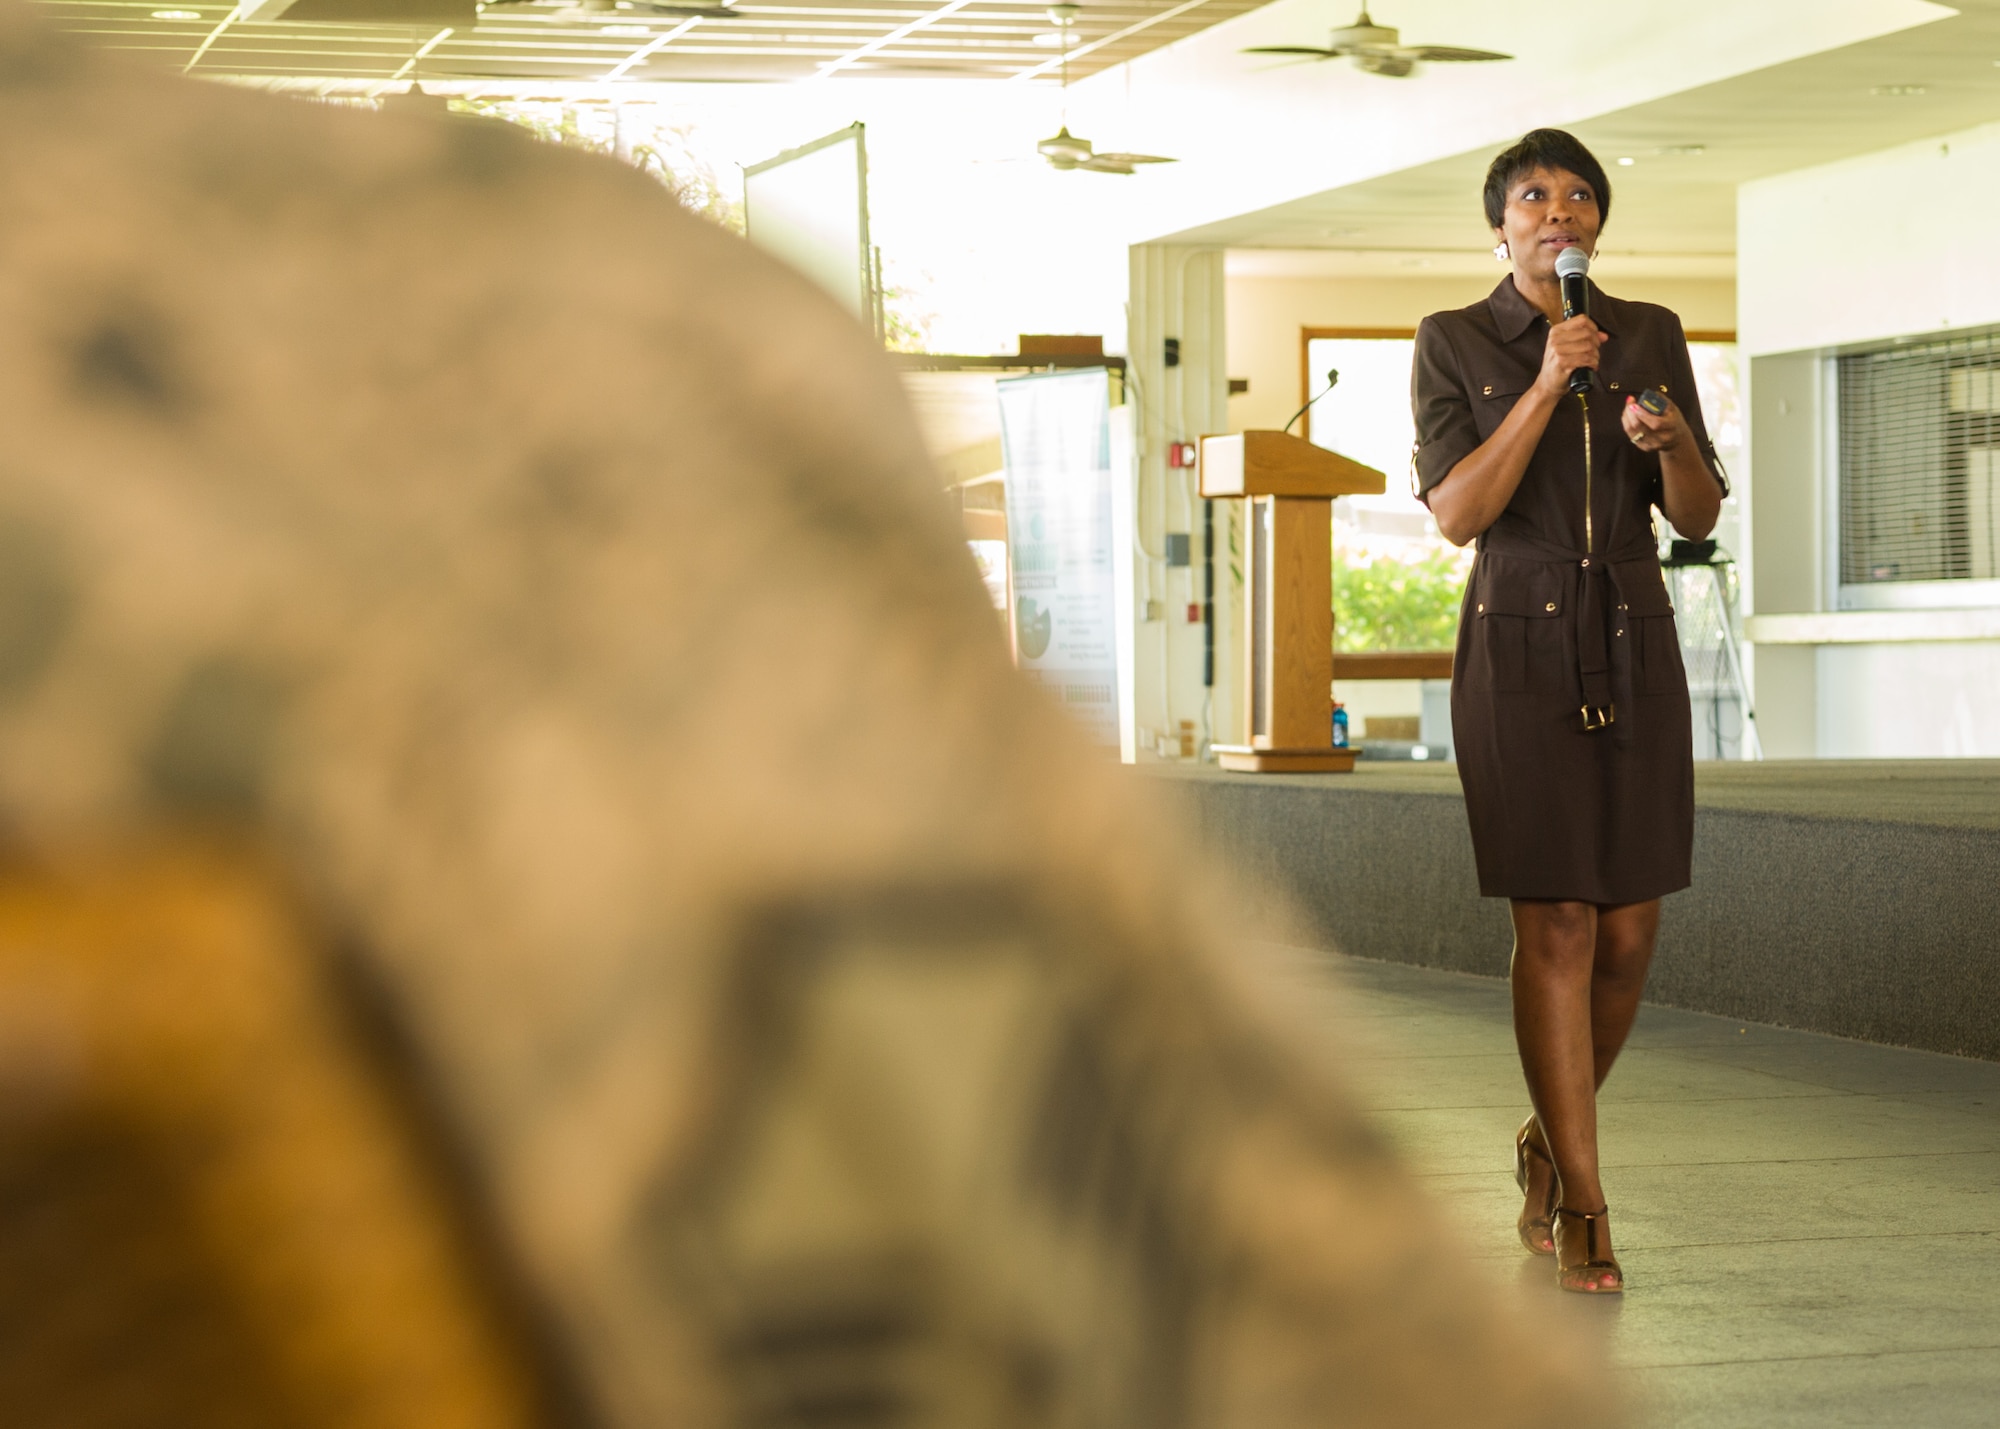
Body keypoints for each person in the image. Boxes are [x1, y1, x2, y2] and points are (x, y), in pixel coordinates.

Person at [0, 5, 1628, 1421]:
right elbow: (1288, 1345)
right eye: (1535, 195)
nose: (1554, 214)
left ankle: (1571, 1170)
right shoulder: (526, 300)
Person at [1412, 129, 1726, 1295]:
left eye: (1578, 196)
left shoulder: (1649, 335)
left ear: (1597, 224)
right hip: (1519, 646)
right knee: (1553, 924)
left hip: (1631, 636)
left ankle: (1546, 1142)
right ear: (1498, 224)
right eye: (1534, 196)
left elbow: (1691, 517)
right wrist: (1547, 381)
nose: (1559, 212)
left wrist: (1672, 438)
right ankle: (1586, 1206)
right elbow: (1456, 511)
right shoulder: (1453, 340)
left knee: (1630, 932)